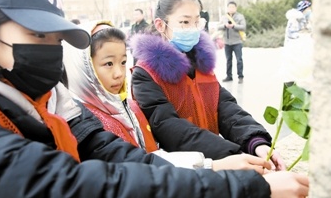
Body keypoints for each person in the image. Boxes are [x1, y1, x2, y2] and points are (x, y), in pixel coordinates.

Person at [0, 0, 309, 198]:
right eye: (38, 33)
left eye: (56, 38)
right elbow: (86, 186)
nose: (50, 49)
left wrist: (229, 159)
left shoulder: (52, 100)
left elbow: (118, 155)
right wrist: (239, 187)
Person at [63, 20, 275, 173]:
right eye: (108, 63)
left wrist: (253, 142)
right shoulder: (84, 121)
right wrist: (219, 162)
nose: (119, 73)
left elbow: (153, 156)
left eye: (123, 62)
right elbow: (141, 167)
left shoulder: (128, 106)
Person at [130, 0, 285, 169]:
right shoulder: (146, 74)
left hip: (220, 164)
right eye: (184, 22)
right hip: (183, 174)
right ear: (160, 25)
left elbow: (226, 109)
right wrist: (234, 155)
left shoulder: (202, 64)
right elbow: (171, 130)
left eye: (197, 21)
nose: (193, 28)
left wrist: (256, 143)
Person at [218, 1, 246, 83]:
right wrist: (224, 26)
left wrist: (234, 26)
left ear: (235, 8)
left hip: (237, 42)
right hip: (227, 42)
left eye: (233, 7)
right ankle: (229, 76)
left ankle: (240, 76)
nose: (231, 9)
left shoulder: (240, 17)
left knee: (239, 60)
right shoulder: (224, 17)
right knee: (228, 60)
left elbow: (243, 27)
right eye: (229, 7)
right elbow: (218, 27)